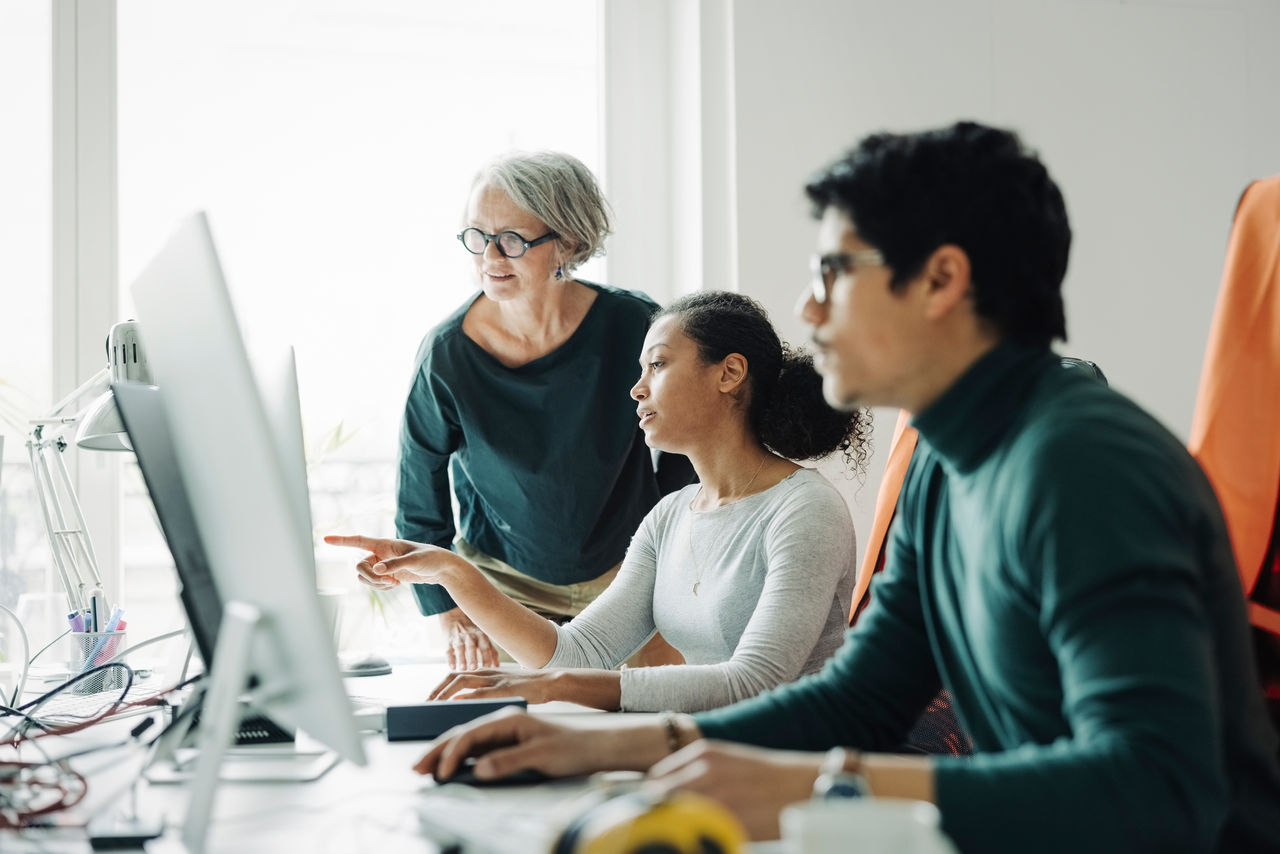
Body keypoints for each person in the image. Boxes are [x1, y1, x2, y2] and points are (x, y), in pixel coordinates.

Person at [410, 123, 1280, 854]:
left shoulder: (1085, 468)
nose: (810, 309)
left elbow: (1161, 789)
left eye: (834, 272)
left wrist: (823, 783)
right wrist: (607, 741)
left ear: (941, 280)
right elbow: (863, 694)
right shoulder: (946, 459)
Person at [329, 291, 869, 712]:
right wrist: (451, 572)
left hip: (792, 766)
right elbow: (575, 653)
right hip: (702, 751)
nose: (637, 389)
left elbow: (754, 683)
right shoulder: (669, 517)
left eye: (657, 366)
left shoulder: (804, 509)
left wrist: (561, 688)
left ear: (728, 374)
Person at [387, 151, 692, 670]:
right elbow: (420, 494)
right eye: (477, 236)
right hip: (502, 590)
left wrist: (666, 562)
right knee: (518, 738)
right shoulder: (447, 354)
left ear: (567, 243)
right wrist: (448, 611)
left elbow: (686, 449)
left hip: (630, 581)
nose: (489, 256)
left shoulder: (634, 324)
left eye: (511, 239)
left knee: (649, 731)